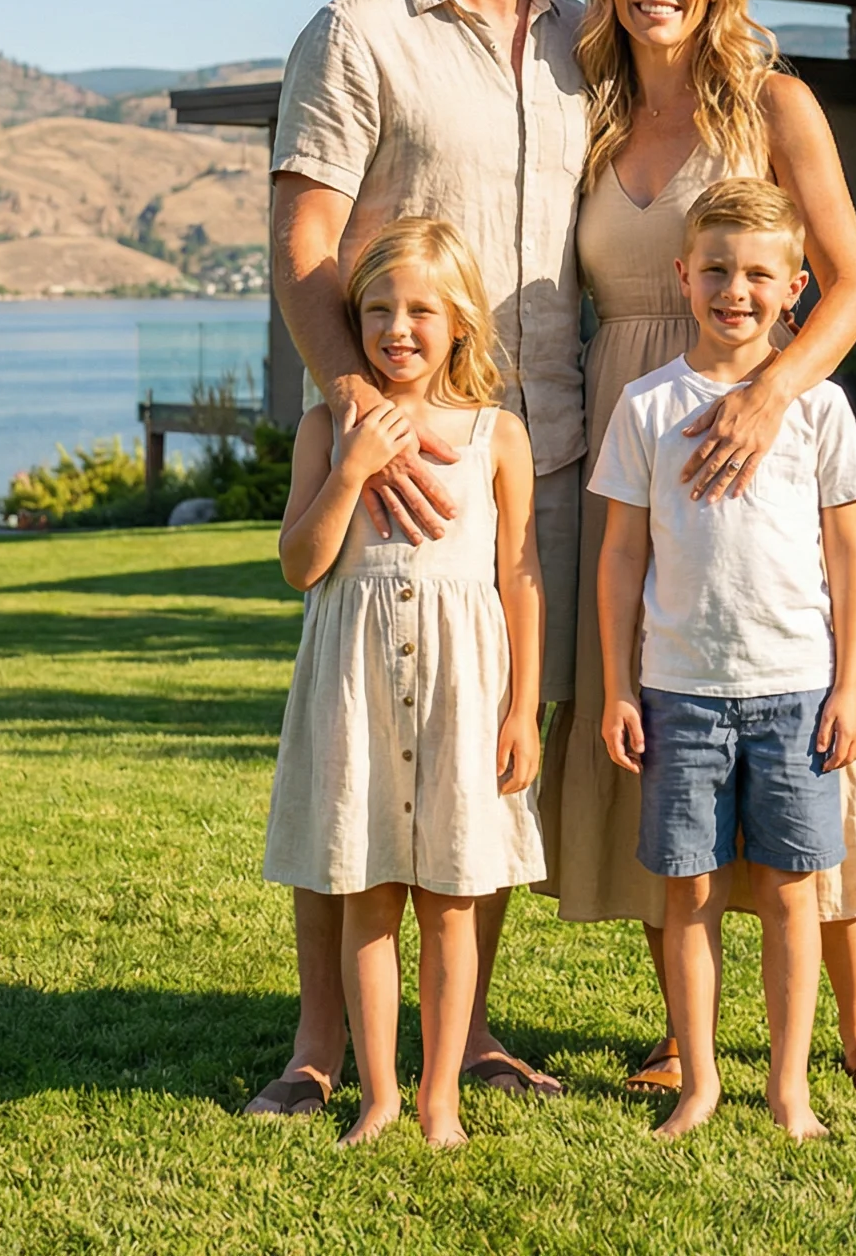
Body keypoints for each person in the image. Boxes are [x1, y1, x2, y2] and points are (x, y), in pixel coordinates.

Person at [538, 0, 856, 1109]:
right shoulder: (589, 116)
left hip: (752, 411)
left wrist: (767, 397)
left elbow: (850, 284)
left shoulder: (774, 102)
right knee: (664, 709)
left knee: (800, 716)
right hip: (631, 422)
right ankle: (682, 1030)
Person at [245, 0, 584, 1116]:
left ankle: (470, 1033)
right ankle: (319, 1045)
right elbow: (304, 243)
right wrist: (355, 412)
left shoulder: (584, 43)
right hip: (382, 461)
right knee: (352, 765)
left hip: (529, 451)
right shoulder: (360, 29)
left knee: (474, 773)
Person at [595, 180, 856, 1138]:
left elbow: (848, 553)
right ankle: (701, 1080)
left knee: (795, 892)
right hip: (679, 693)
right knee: (690, 892)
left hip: (798, 692)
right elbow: (621, 554)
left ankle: (788, 1086)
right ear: (683, 275)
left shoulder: (820, 409)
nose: (735, 290)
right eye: (715, 269)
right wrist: (614, 688)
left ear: (796, 285)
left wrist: (851, 686)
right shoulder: (645, 406)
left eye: (759, 274)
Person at [264, 218, 545, 1146]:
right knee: (370, 896)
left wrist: (524, 710)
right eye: (377, 308)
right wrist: (350, 469)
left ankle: (440, 1099)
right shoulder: (325, 428)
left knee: (454, 903)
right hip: (358, 697)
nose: (398, 328)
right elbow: (301, 564)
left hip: (466, 698)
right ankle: (379, 1096)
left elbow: (520, 578)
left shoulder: (496, 437)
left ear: (459, 321)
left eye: (422, 309)